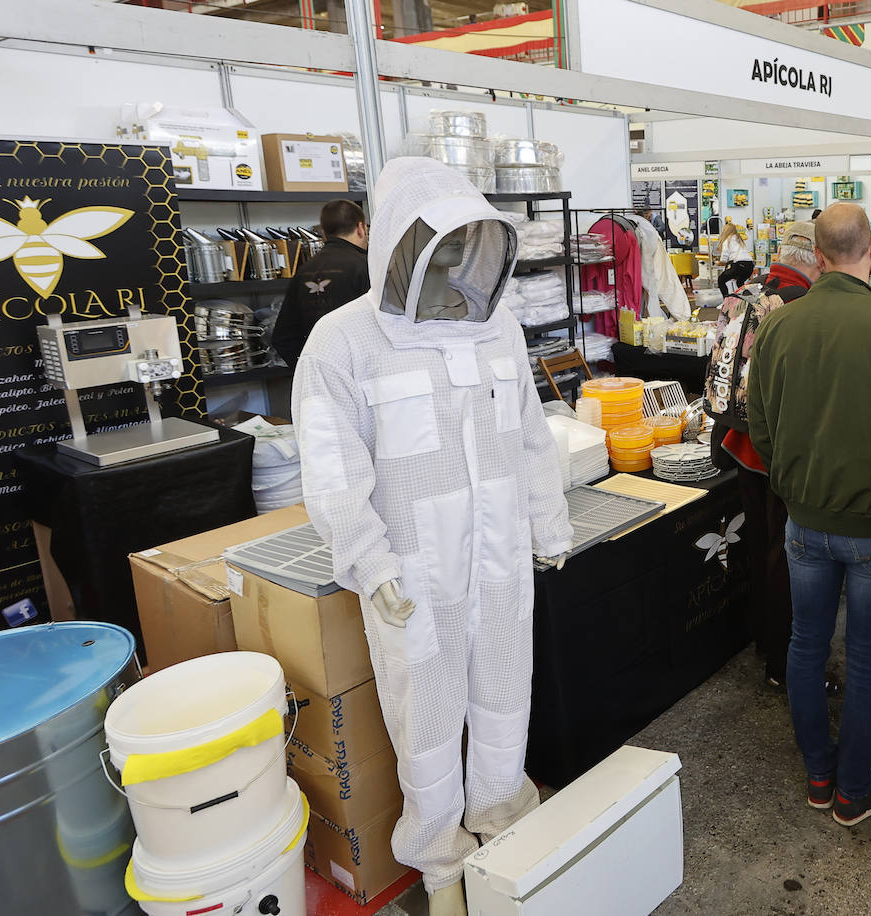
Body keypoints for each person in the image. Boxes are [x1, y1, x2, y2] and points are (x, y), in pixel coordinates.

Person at [293, 158, 573, 916]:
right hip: (414, 580)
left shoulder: (500, 328)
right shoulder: (342, 342)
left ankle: (500, 817)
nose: (453, 263)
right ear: (395, 247)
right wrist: (371, 564)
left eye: (464, 245)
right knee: (426, 718)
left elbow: (529, 437)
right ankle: (439, 862)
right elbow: (331, 470)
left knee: (505, 694)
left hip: (503, 559)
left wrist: (549, 526)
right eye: (435, 245)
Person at [747, 203, 871, 828]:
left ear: (817, 254)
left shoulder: (778, 327)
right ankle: (853, 788)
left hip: (804, 520)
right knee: (868, 655)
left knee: (806, 643)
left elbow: (761, 427)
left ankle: (820, 775)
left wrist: (795, 485)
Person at [704, 221, 839, 696]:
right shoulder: (800, 302)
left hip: (739, 444)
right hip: (778, 451)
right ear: (814, 258)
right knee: (788, 558)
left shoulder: (746, 291)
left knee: (760, 548)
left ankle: (767, 646)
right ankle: (787, 663)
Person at [271, 198, 370, 367]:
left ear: (324, 234)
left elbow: (282, 337)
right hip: (365, 370)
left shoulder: (303, 272)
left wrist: (309, 368)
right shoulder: (367, 266)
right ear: (361, 228)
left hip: (323, 373)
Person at [717, 222, 755, 295]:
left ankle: (726, 301)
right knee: (740, 282)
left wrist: (719, 262)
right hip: (750, 265)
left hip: (739, 264)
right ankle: (748, 299)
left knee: (721, 280)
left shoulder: (727, 240)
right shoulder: (740, 240)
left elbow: (724, 258)